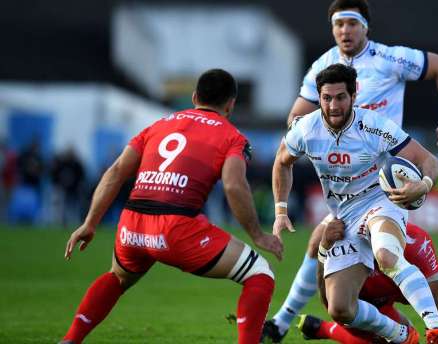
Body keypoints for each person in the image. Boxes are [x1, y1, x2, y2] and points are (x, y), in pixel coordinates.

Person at [263, 0, 438, 341]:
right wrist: (304, 137)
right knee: (338, 304)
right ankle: (403, 334)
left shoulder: (389, 63)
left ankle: (437, 329)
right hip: (344, 205)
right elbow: (288, 142)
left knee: (387, 254)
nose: (345, 31)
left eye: (352, 24)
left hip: (387, 184)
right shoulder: (322, 69)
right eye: (339, 25)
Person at [59, 69, 283, 344]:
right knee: (260, 273)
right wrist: (258, 235)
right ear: (231, 104)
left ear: (194, 97)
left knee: (117, 277)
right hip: (178, 228)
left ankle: (70, 339)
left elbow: (116, 170)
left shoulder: (158, 125)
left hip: (133, 224)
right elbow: (234, 185)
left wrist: (90, 223)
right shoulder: (232, 136)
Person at [297, 222, 438, 344]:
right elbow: (331, 305)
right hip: (372, 303)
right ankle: (323, 329)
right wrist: (324, 252)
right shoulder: (342, 244)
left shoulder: (414, 238)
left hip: (410, 281)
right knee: (404, 340)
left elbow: (435, 287)